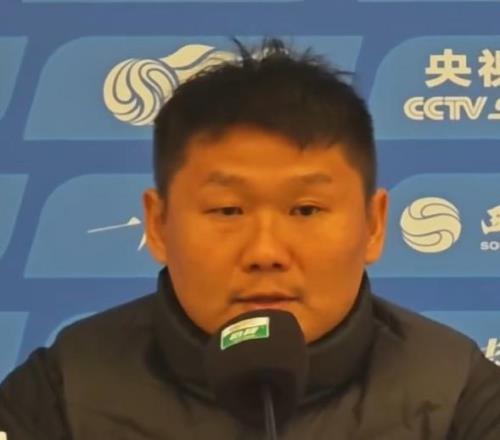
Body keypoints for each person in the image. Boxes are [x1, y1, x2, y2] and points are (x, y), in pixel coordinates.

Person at [1, 38, 500, 440]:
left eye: (306, 210)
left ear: (373, 224)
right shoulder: (62, 392)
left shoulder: (460, 396)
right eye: (227, 210)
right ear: (158, 224)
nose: (265, 252)